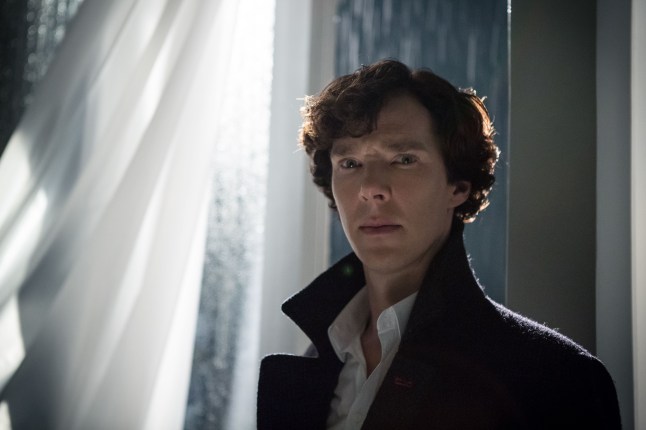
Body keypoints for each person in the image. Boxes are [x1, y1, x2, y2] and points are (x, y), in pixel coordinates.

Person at [257, 59, 621, 429]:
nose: (371, 188)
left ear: (457, 186)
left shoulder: (553, 377)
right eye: (350, 164)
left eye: (404, 159)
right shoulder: (318, 360)